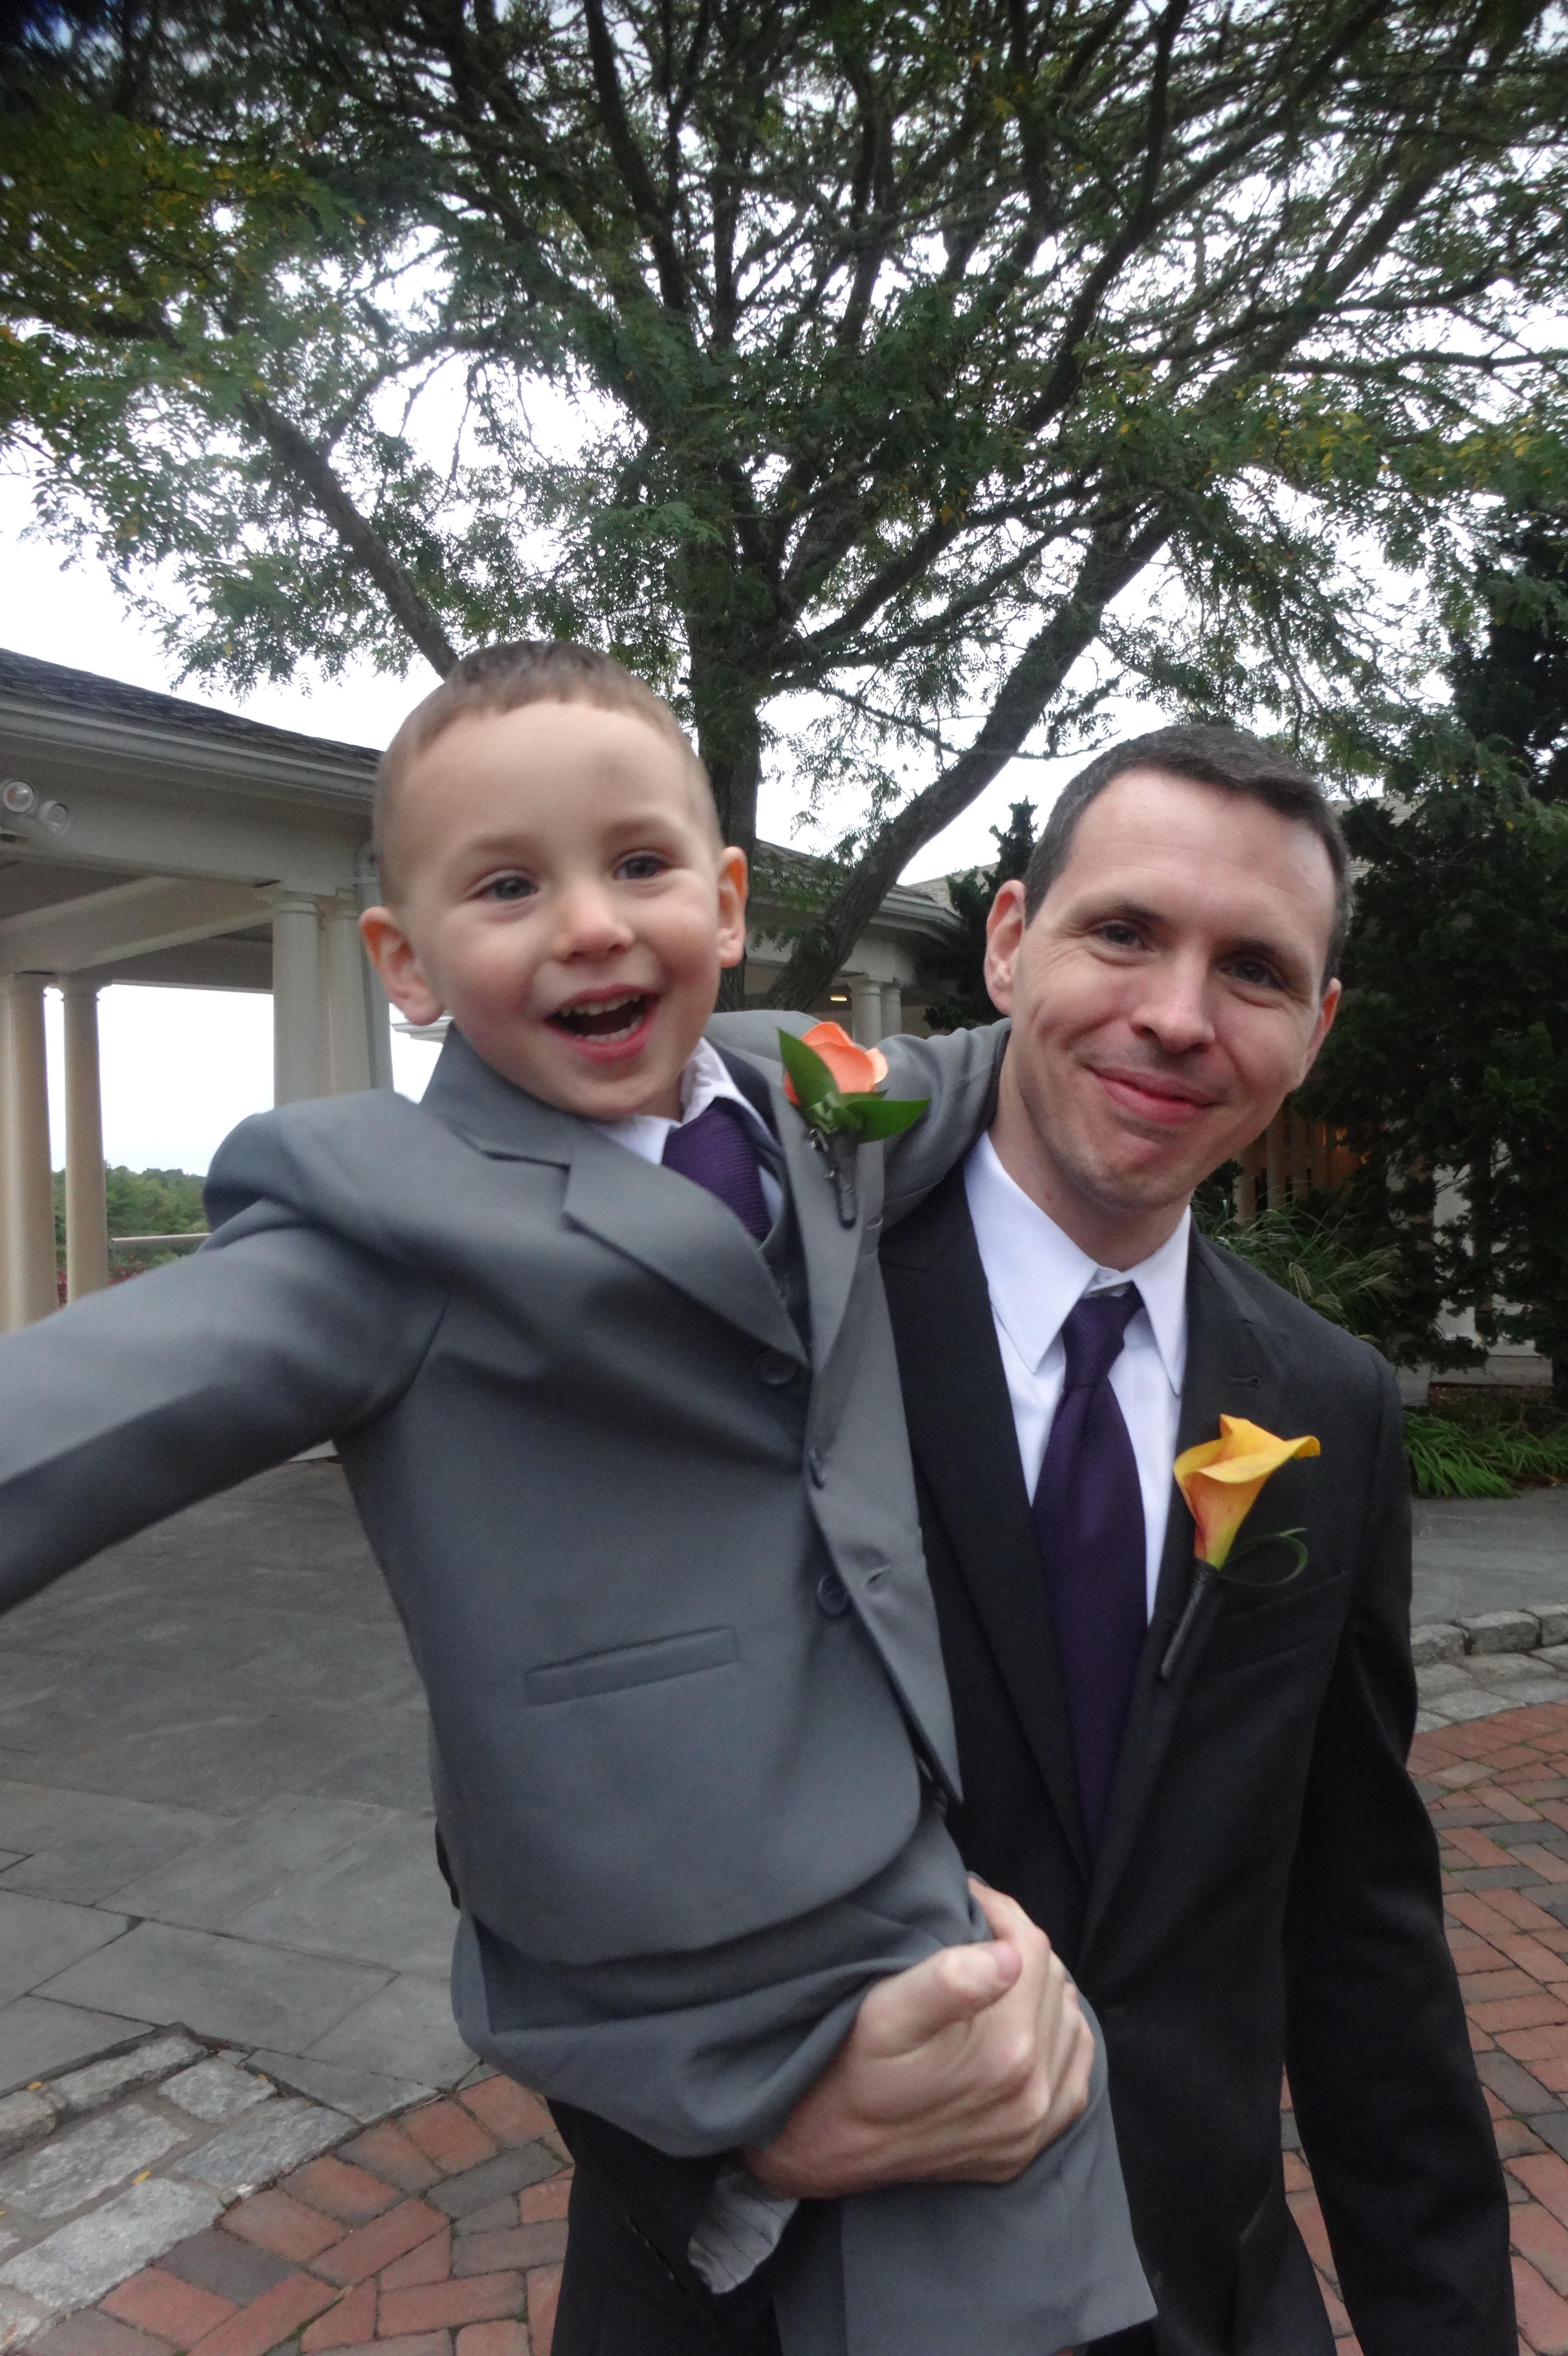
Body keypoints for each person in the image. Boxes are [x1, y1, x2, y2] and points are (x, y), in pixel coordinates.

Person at [0, 642, 1153, 2356]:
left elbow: (981, 1072)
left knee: (1017, 2194)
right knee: (985, 2176)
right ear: (403, 963)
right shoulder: (382, 1215)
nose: (592, 926)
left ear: (726, 900)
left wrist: (1121, 1000)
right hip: (644, 1915)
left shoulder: (806, 1087)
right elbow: (72, 1419)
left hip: (882, 1836)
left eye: (637, 864)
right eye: (506, 887)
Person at [551, 724, 1515, 2355]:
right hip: (785, 2295)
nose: (1177, 1015)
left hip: (1192, 2288)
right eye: (1123, 931)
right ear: (1009, 942)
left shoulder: (1328, 1405)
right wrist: (742, 2135)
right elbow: (540, 1814)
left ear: (1315, 1029)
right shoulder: (747, 1311)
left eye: (1254, 971)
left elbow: (1355, 1919)